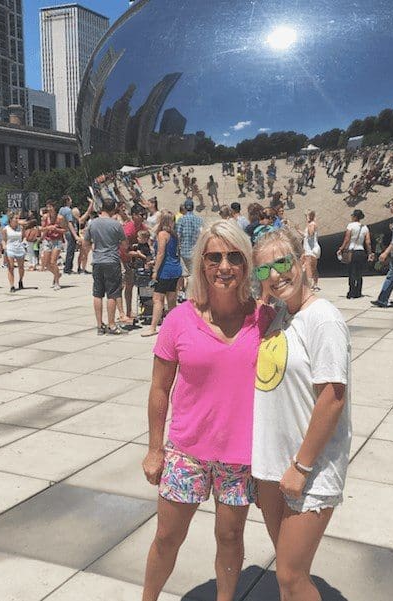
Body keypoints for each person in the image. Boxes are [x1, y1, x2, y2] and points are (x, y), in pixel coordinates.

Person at [141, 220, 271, 601]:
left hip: (239, 458)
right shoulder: (179, 319)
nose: (224, 266)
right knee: (167, 537)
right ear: (201, 264)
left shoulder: (265, 319)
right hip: (186, 452)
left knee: (230, 538)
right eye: (214, 258)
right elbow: (159, 387)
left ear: (247, 264)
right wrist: (154, 448)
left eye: (234, 257)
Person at [252, 227, 351, 601]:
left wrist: (302, 467)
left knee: (292, 577)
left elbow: (332, 399)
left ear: (303, 261)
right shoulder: (280, 314)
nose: (275, 276)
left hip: (308, 469)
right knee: (286, 574)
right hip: (272, 465)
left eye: (282, 263)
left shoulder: (322, 318)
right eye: (264, 270)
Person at [83, 197, 127, 335]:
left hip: (97, 261)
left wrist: (94, 250)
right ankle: (112, 324)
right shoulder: (116, 225)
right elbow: (124, 244)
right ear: (113, 208)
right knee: (112, 294)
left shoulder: (92, 223)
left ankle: (99, 325)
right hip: (112, 260)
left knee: (97, 294)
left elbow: (85, 243)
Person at [142, 211, 182, 337]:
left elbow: (161, 253)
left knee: (158, 299)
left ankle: (153, 327)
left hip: (165, 270)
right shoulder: (174, 235)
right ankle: (174, 327)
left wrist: (155, 271)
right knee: (171, 300)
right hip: (175, 269)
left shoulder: (162, 234)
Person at [338, 209, 373, 299]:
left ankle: (351, 291)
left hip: (352, 252)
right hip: (361, 251)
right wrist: (369, 253)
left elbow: (347, 239)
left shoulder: (350, 226)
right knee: (359, 273)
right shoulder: (365, 227)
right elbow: (368, 242)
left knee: (351, 272)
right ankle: (358, 291)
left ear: (354, 217)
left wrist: (341, 248)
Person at [121, 204, 148, 320]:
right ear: (134, 215)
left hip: (134, 260)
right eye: (141, 215)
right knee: (124, 286)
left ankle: (132, 310)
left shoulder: (143, 227)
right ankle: (124, 312)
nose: (143, 217)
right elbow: (125, 251)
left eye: (144, 215)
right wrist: (138, 254)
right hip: (123, 259)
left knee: (132, 285)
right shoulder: (128, 229)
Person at [175, 199, 203, 295]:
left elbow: (178, 235)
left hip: (184, 251)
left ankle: (185, 294)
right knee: (194, 274)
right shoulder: (199, 220)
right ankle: (193, 293)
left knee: (184, 275)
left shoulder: (181, 220)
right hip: (196, 251)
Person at [40, 201, 66, 290]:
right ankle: (57, 274)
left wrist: (56, 229)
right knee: (46, 264)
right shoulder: (45, 217)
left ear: (54, 208)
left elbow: (64, 230)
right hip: (47, 240)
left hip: (57, 241)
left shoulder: (60, 218)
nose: (48, 209)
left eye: (50, 207)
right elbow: (42, 229)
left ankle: (57, 282)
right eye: (47, 207)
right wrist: (47, 228)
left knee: (53, 262)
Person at [2, 212, 27, 293]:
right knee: (11, 267)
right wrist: (4, 247)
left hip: (19, 248)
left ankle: (20, 280)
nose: (17, 220)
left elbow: (23, 237)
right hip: (10, 248)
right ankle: (12, 285)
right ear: (10, 220)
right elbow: (4, 239)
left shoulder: (21, 228)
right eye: (15, 218)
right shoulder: (6, 229)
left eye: (18, 218)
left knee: (21, 267)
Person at [59, 195, 81, 275]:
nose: (71, 200)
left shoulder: (61, 209)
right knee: (70, 251)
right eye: (70, 199)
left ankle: (67, 267)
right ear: (67, 201)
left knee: (69, 249)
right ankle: (68, 268)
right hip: (70, 232)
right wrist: (75, 235)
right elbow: (70, 223)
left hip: (65, 231)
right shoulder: (68, 211)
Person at [303, 211, 321, 291]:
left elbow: (310, 234)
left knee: (309, 268)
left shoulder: (311, 224)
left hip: (310, 249)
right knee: (314, 268)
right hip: (313, 249)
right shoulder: (313, 224)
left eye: (306, 216)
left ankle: (309, 286)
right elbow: (306, 236)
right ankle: (315, 284)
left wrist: (308, 224)